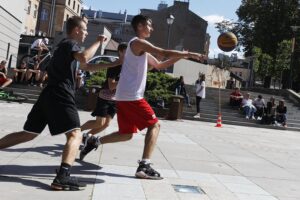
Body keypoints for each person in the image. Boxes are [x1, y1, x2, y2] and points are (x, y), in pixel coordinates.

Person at [0, 16, 121, 191]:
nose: (87, 32)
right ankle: (62, 177)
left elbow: (86, 67)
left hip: (49, 93)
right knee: (76, 135)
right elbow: (85, 59)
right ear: (77, 30)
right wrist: (97, 42)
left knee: (28, 133)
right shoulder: (70, 44)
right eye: (85, 29)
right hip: (60, 93)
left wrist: (116, 63)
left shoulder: (65, 47)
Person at [80, 14, 204, 179]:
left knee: (126, 134)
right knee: (155, 125)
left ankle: (94, 141)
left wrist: (180, 56)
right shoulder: (137, 42)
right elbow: (163, 52)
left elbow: (159, 64)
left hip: (125, 96)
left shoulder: (141, 49)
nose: (151, 29)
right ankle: (144, 166)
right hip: (132, 96)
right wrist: (189, 54)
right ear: (140, 26)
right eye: (149, 25)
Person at [80, 43, 127, 142]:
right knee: (99, 123)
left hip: (115, 99)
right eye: (128, 52)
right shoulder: (115, 66)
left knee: (106, 124)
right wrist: (126, 80)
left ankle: (86, 136)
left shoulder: (128, 67)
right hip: (105, 97)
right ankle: (76, 131)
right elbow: (111, 86)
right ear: (120, 52)